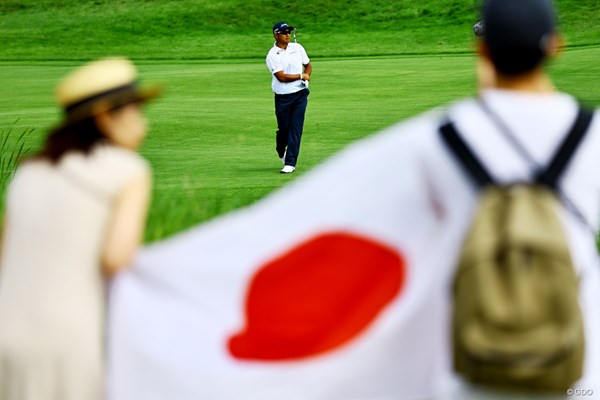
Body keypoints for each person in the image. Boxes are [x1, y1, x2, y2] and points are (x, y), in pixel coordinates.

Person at [107, 0, 599, 398]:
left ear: (482, 50)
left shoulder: (434, 139)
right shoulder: (593, 135)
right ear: (556, 46)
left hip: (469, 348)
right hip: (577, 352)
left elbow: (321, 218)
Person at [0, 57, 161, 400]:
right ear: (105, 116)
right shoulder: (129, 171)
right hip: (69, 335)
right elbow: (116, 258)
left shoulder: (29, 172)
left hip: (6, 333)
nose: (143, 125)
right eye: (136, 111)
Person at [266, 21, 312, 174]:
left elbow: (308, 64)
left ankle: (290, 162)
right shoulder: (272, 55)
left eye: (289, 32)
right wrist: (301, 75)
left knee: (295, 129)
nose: (288, 35)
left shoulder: (297, 48)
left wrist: (306, 77)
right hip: (283, 98)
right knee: (284, 130)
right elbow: (281, 77)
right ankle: (281, 149)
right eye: (284, 32)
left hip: (300, 95)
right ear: (276, 35)